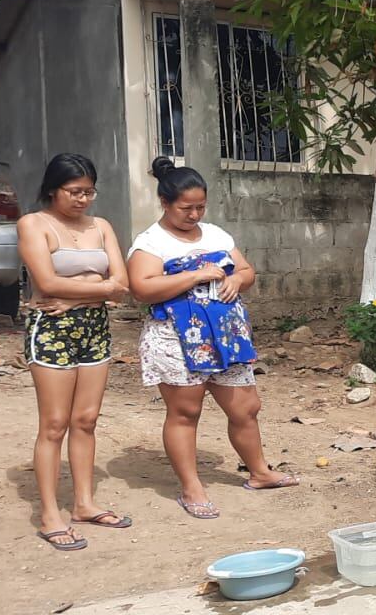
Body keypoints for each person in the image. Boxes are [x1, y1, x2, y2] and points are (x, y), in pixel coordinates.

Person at [126, 157, 296, 520]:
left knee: (245, 407)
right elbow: (141, 288)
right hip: (177, 338)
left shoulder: (217, 234)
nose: (194, 214)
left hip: (225, 336)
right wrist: (195, 276)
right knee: (186, 412)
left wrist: (236, 279)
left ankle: (260, 472)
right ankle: (192, 488)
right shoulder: (150, 243)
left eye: (200, 206)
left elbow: (246, 270)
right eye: (186, 208)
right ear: (165, 203)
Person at [17, 154, 132, 551]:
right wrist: (100, 292)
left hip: (93, 329)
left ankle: (83, 503)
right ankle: (50, 513)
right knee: (54, 423)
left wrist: (78, 298)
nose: (83, 199)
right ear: (53, 189)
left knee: (86, 419)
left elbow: (124, 282)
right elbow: (46, 282)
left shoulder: (101, 226)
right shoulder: (34, 224)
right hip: (51, 330)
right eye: (74, 192)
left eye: (89, 192)